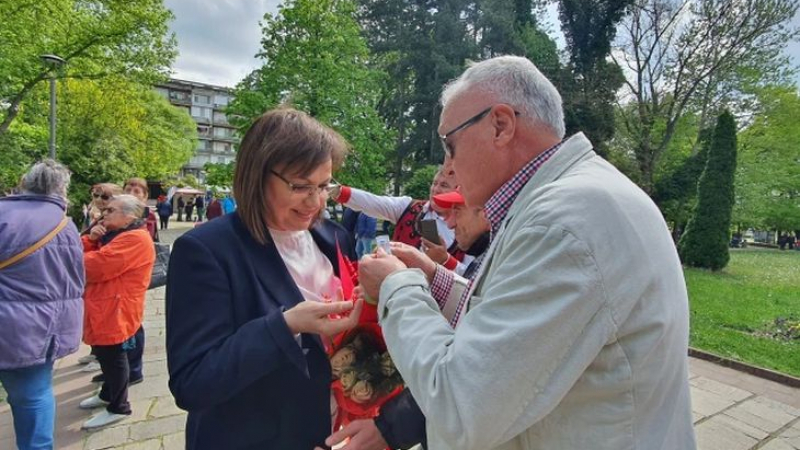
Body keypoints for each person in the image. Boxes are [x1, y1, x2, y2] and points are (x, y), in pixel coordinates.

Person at [357, 56, 696, 450]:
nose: (447, 165)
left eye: (450, 145)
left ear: (500, 125)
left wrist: (399, 287)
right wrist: (435, 280)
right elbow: (517, 322)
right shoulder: (575, 196)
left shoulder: (560, 222)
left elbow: (459, 408)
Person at [166, 107, 364, 450]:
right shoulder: (206, 250)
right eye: (300, 186)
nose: (315, 202)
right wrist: (285, 326)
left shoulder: (333, 237)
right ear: (258, 175)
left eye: (324, 185)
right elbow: (193, 382)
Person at [0, 160, 85, 450]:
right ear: (62, 189)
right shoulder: (65, 224)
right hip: (38, 327)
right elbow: (75, 279)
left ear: (23, 182)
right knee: (34, 395)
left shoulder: (3, 212)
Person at [79, 194, 155, 430]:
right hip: (105, 302)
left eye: (111, 210)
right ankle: (107, 394)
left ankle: (119, 406)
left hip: (116, 305)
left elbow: (94, 267)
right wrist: (91, 239)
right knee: (104, 352)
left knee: (113, 354)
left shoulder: (135, 238)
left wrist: (87, 248)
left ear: (129, 216)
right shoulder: (115, 235)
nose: (104, 213)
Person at [331, 168, 473, 275]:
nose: (436, 189)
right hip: (393, 288)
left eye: (444, 185)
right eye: (434, 183)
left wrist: (446, 260)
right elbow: (373, 202)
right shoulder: (408, 206)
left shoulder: (468, 228)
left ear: (458, 190)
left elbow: (470, 277)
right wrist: (339, 192)